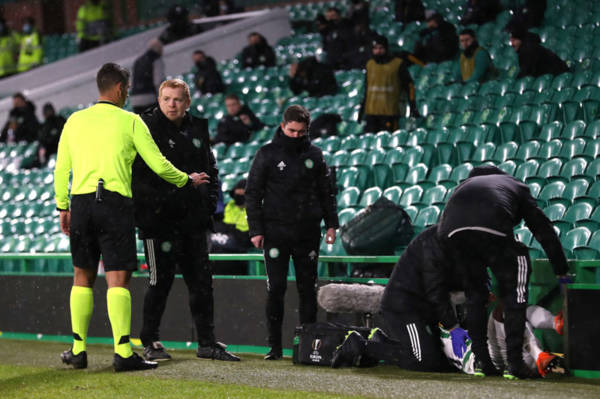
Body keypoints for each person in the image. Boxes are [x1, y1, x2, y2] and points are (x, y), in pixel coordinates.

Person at [54, 62, 207, 372]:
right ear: (121, 89)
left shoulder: (74, 121)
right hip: (114, 205)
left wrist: (62, 207)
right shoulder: (131, 121)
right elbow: (159, 165)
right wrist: (186, 180)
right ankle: (123, 353)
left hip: (81, 204)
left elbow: (61, 169)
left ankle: (78, 350)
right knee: (117, 279)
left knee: (82, 276)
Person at [132, 78, 239, 362]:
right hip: (158, 221)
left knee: (202, 282)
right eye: (166, 98)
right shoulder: (144, 126)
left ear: (187, 102)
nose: (171, 104)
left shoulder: (198, 126)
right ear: (159, 99)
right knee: (159, 281)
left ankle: (206, 342)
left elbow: (211, 168)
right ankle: (150, 341)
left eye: (177, 99)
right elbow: (140, 178)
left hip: (193, 220)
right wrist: (164, 201)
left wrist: (206, 205)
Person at [437, 165, 569, 379]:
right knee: (515, 286)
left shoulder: (463, 187)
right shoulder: (516, 185)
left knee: (475, 296)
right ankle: (515, 364)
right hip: (491, 228)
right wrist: (560, 269)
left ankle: (482, 362)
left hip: (451, 235)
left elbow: (445, 227)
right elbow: (543, 230)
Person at [245, 105, 339, 360]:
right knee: (275, 288)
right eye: (291, 130)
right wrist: (256, 229)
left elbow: (326, 192)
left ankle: (308, 347)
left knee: (307, 288)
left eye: (300, 131)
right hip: (275, 232)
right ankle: (274, 347)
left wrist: (332, 224)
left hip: (307, 232)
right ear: (283, 125)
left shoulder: (316, 156)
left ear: (307, 129)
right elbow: (253, 193)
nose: (295, 135)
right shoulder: (267, 154)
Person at [332, 224, 467, 372]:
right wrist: (453, 327)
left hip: (420, 307)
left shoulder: (446, 241)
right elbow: (435, 291)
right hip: (404, 307)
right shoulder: (435, 243)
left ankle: (381, 342)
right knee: (421, 360)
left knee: (438, 361)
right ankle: (360, 345)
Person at [360, 34, 418, 133]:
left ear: (386, 48)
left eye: (381, 48)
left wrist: (412, 105)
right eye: (375, 48)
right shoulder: (370, 64)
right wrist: (361, 110)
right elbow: (366, 89)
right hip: (371, 113)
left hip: (390, 113)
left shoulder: (397, 64)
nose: (378, 51)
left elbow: (409, 86)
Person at [211, 179, 252, 275]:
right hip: (220, 246)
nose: (239, 197)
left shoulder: (254, 212)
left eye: (242, 194)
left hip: (237, 253)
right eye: (237, 194)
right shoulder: (226, 208)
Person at [130, 39, 165, 114]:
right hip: (149, 97)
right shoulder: (156, 59)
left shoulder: (138, 60)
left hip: (134, 99)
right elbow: (158, 81)